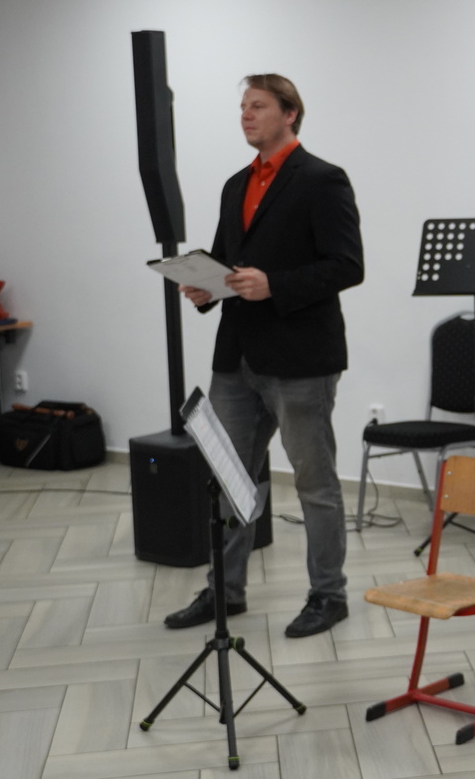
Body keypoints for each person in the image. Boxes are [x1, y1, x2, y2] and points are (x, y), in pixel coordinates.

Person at [164, 74, 364, 638]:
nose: (246, 115)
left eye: (258, 106)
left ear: (290, 113)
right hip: (238, 358)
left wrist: (275, 284)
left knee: (314, 484)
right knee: (230, 479)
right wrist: (207, 288)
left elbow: (348, 265)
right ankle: (224, 591)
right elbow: (227, 262)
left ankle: (329, 596)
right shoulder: (236, 185)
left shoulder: (322, 179)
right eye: (243, 107)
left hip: (300, 359)